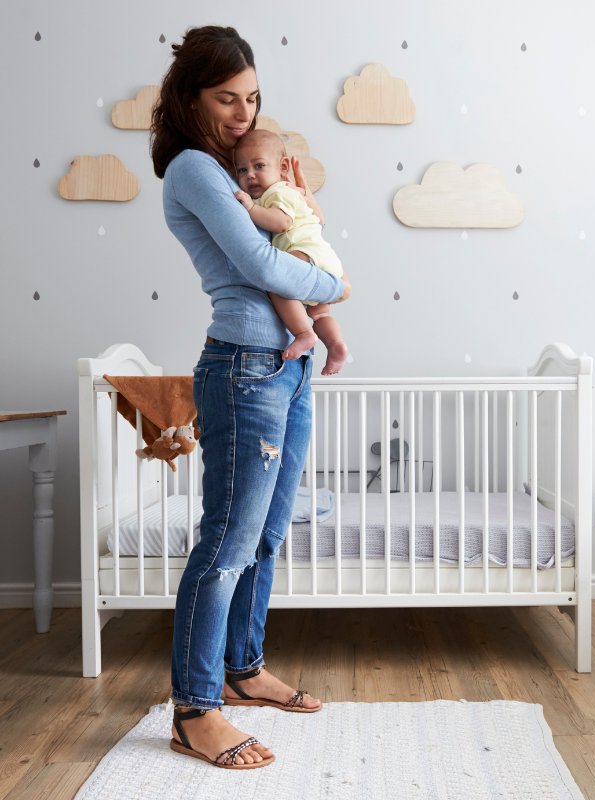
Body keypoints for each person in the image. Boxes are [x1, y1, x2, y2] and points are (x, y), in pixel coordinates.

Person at [151, 25, 350, 769]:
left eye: (252, 97)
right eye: (226, 98)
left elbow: (296, 229)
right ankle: (195, 709)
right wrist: (336, 286)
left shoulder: (246, 168)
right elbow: (264, 258)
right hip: (243, 367)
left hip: (284, 366)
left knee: (265, 533)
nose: (242, 112)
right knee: (227, 542)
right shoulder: (197, 171)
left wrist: (300, 206)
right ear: (190, 98)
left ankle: (242, 670)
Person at [233, 129, 349, 375]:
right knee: (319, 313)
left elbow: (281, 222)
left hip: (303, 251)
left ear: (283, 167)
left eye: (259, 165)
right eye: (242, 170)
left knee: (277, 283)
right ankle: (336, 345)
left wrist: (251, 208)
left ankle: (303, 333)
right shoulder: (291, 193)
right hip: (325, 258)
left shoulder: (277, 191)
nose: (250, 175)